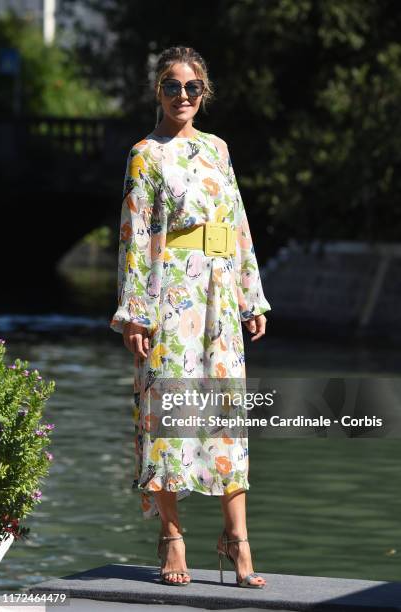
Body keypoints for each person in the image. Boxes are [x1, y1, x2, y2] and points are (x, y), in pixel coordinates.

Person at [110, 45, 271, 588]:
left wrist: (252, 295)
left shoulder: (220, 150)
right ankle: (172, 535)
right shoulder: (145, 154)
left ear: (204, 95)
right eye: (173, 86)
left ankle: (237, 538)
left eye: (193, 87)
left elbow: (239, 221)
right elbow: (134, 239)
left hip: (221, 298)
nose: (183, 96)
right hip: (169, 295)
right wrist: (135, 313)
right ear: (158, 91)